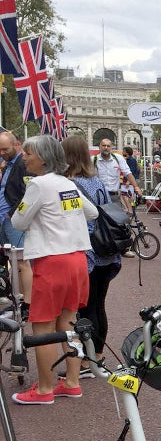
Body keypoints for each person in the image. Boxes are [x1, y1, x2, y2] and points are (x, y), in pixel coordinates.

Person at [10, 135, 98, 405]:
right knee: (69, 322)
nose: (24, 157)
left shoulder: (38, 184)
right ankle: (71, 382)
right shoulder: (66, 183)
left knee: (43, 327)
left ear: (44, 158)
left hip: (52, 261)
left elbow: (18, 221)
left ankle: (45, 388)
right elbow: (92, 212)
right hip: (77, 259)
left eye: (29, 153)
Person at [63, 135, 121, 364]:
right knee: (99, 304)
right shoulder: (96, 180)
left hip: (90, 251)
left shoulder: (71, 184)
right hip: (107, 250)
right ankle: (97, 352)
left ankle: (88, 358)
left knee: (86, 308)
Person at [0, 130, 33, 311]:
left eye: (5, 149)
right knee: (8, 259)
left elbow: (28, 192)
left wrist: (14, 213)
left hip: (12, 219)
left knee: (21, 260)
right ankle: (16, 296)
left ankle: (27, 302)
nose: (2, 152)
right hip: (3, 218)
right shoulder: (7, 164)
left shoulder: (22, 163)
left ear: (16, 145)